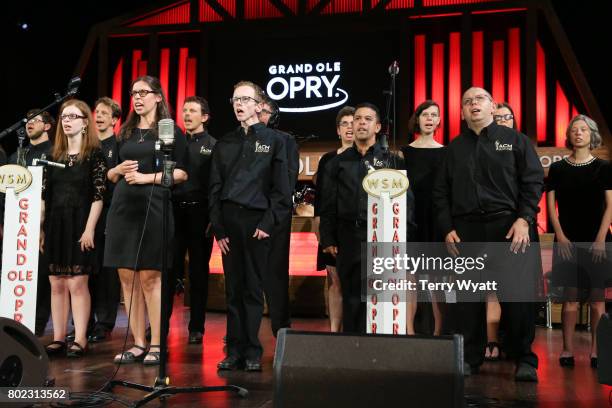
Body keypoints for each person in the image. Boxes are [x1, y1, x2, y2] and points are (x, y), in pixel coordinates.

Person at [432, 87, 544, 381]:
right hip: (466, 232)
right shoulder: (453, 148)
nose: (473, 104)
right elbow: (440, 193)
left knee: (517, 299)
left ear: (493, 107)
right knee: (466, 301)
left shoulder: (515, 141)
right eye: (467, 102)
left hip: (509, 229)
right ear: (461, 113)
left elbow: (533, 182)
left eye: (479, 99)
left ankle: (525, 359)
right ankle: (469, 358)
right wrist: (447, 228)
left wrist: (524, 219)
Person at [104, 75, 188, 365]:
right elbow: (109, 175)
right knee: (127, 277)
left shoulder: (169, 132)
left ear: (158, 97)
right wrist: (118, 170)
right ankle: (137, 343)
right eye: (133, 92)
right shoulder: (124, 133)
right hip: (123, 208)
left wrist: (144, 178)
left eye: (143, 92)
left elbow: (179, 174)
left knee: (151, 277)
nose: (137, 97)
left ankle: (156, 343)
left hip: (154, 206)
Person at [209, 81, 290, 371]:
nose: (238, 104)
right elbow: (215, 188)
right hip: (229, 222)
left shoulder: (275, 141)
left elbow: (282, 190)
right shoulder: (225, 143)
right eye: (235, 99)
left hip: (257, 222)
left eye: (245, 99)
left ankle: (253, 351)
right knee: (233, 288)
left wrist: (268, 222)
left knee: (253, 289)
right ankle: (234, 351)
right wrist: (218, 229)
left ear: (259, 105)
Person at [319, 103, 416, 334]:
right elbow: (328, 204)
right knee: (351, 295)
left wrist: (404, 236)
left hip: (381, 237)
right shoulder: (336, 163)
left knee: (380, 296)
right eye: (358, 119)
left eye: (368, 119)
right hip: (348, 237)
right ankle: (353, 348)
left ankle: (379, 349)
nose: (361, 122)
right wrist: (328, 238)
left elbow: (406, 202)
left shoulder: (392, 161)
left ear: (378, 126)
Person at [42, 99, 107, 358]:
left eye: (73, 116)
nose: (67, 121)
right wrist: (39, 229)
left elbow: (98, 195)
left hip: (80, 222)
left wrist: (90, 228)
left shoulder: (94, 155)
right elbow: (45, 196)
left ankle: (80, 338)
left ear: (84, 122)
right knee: (56, 282)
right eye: (64, 116)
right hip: (55, 224)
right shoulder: (53, 156)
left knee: (77, 283)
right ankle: (58, 338)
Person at [547, 114, 612, 369]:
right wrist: (561, 236)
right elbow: (551, 207)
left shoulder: (604, 167)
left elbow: (610, 207)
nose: (578, 133)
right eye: (574, 130)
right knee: (570, 296)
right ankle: (567, 350)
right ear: (569, 135)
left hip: (597, 240)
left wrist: (599, 240)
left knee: (597, 298)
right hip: (567, 240)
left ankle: (596, 351)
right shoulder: (558, 168)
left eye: (583, 129)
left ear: (591, 134)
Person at [169, 96, 216, 345]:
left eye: (193, 111)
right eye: (185, 110)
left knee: (198, 273)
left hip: (200, 214)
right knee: (168, 269)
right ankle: (159, 325)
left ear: (205, 117)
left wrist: (214, 218)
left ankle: (196, 327)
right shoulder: (173, 143)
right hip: (174, 212)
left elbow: (217, 185)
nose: (187, 115)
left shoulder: (213, 145)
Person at [8, 110, 55, 336]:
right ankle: (15, 321)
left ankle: (37, 325)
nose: (30, 123)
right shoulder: (18, 155)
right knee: (17, 272)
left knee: (41, 276)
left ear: (47, 126)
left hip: (44, 224)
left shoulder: (55, 153)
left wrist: (44, 225)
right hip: (17, 226)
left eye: (36, 120)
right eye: (28, 120)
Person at [400, 100, 445, 336]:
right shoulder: (404, 153)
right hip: (411, 220)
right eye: (424, 114)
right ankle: (409, 331)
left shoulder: (447, 152)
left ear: (439, 121)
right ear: (417, 119)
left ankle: (439, 332)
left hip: (437, 220)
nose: (429, 118)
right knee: (410, 279)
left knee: (437, 278)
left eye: (434, 115)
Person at [258, 95, 299, 336]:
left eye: (264, 112)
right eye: (258, 110)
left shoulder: (286, 140)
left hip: (275, 217)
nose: (260, 115)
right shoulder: (242, 140)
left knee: (275, 276)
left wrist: (271, 216)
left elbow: (288, 181)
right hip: (248, 216)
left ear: (273, 116)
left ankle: (281, 330)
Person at [313, 105, 355, 332]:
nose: (349, 128)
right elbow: (320, 199)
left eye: (352, 123)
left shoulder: (365, 158)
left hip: (356, 230)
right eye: (344, 124)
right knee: (335, 280)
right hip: (331, 228)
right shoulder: (327, 160)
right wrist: (320, 227)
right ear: (338, 131)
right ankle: (334, 330)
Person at [87, 97, 122, 343]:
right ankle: (84, 321)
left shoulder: (118, 145)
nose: (98, 116)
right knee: (86, 268)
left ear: (114, 119)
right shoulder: (86, 145)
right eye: (96, 112)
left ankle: (105, 322)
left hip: (110, 212)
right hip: (87, 213)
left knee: (108, 271)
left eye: (103, 113)